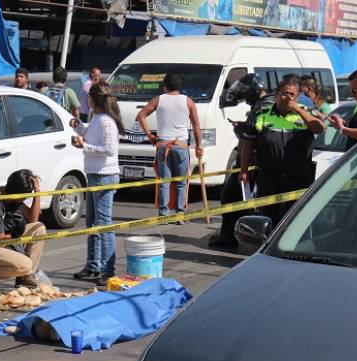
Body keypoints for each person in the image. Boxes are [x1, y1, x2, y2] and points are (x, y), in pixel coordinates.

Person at [239, 76, 325, 226]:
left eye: (292, 94)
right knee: (267, 218)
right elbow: (248, 143)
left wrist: (298, 109)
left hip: (298, 179)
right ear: (277, 94)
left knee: (294, 221)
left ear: (297, 96)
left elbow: (319, 128)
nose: (288, 98)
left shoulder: (306, 112)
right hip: (269, 179)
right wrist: (243, 170)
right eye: (285, 93)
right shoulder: (261, 114)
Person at [210, 74, 273, 248]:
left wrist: (243, 169)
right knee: (240, 201)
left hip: (252, 163)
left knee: (230, 197)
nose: (244, 98)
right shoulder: (266, 104)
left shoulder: (261, 107)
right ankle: (233, 235)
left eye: (246, 94)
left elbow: (251, 139)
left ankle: (229, 237)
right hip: (258, 164)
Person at [70, 82, 123, 286]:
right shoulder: (97, 119)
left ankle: (108, 271)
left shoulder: (106, 121)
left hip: (104, 176)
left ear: (92, 100)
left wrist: (85, 146)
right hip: (95, 174)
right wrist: (80, 127)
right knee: (92, 224)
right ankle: (94, 266)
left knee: (103, 225)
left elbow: (108, 149)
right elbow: (92, 135)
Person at [136, 74, 202, 222]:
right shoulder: (188, 101)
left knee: (164, 182)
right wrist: (199, 146)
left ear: (165, 86)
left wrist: (150, 136)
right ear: (179, 87)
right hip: (181, 146)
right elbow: (197, 126)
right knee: (181, 182)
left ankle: (164, 215)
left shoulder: (158, 100)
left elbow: (141, 116)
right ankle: (180, 215)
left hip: (163, 145)